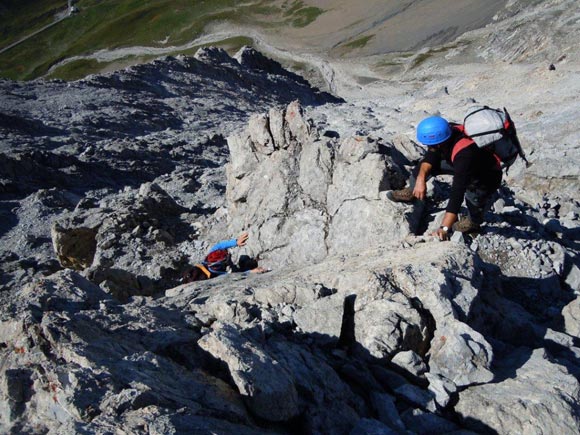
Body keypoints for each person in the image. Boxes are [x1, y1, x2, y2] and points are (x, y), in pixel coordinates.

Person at [387, 115, 502, 241]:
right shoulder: (446, 132)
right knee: (423, 167)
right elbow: (431, 156)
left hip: (484, 175)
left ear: (439, 143)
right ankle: (412, 191)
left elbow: (456, 194)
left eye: (430, 144)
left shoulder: (465, 156)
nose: (428, 147)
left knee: (474, 199)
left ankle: (473, 223)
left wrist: (444, 228)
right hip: (458, 162)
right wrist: (420, 180)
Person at [182, 232, 268, 282]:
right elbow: (234, 275)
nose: (229, 256)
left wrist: (236, 242)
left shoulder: (211, 256)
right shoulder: (216, 273)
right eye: (227, 258)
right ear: (222, 263)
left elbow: (220, 246)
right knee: (244, 261)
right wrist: (251, 271)